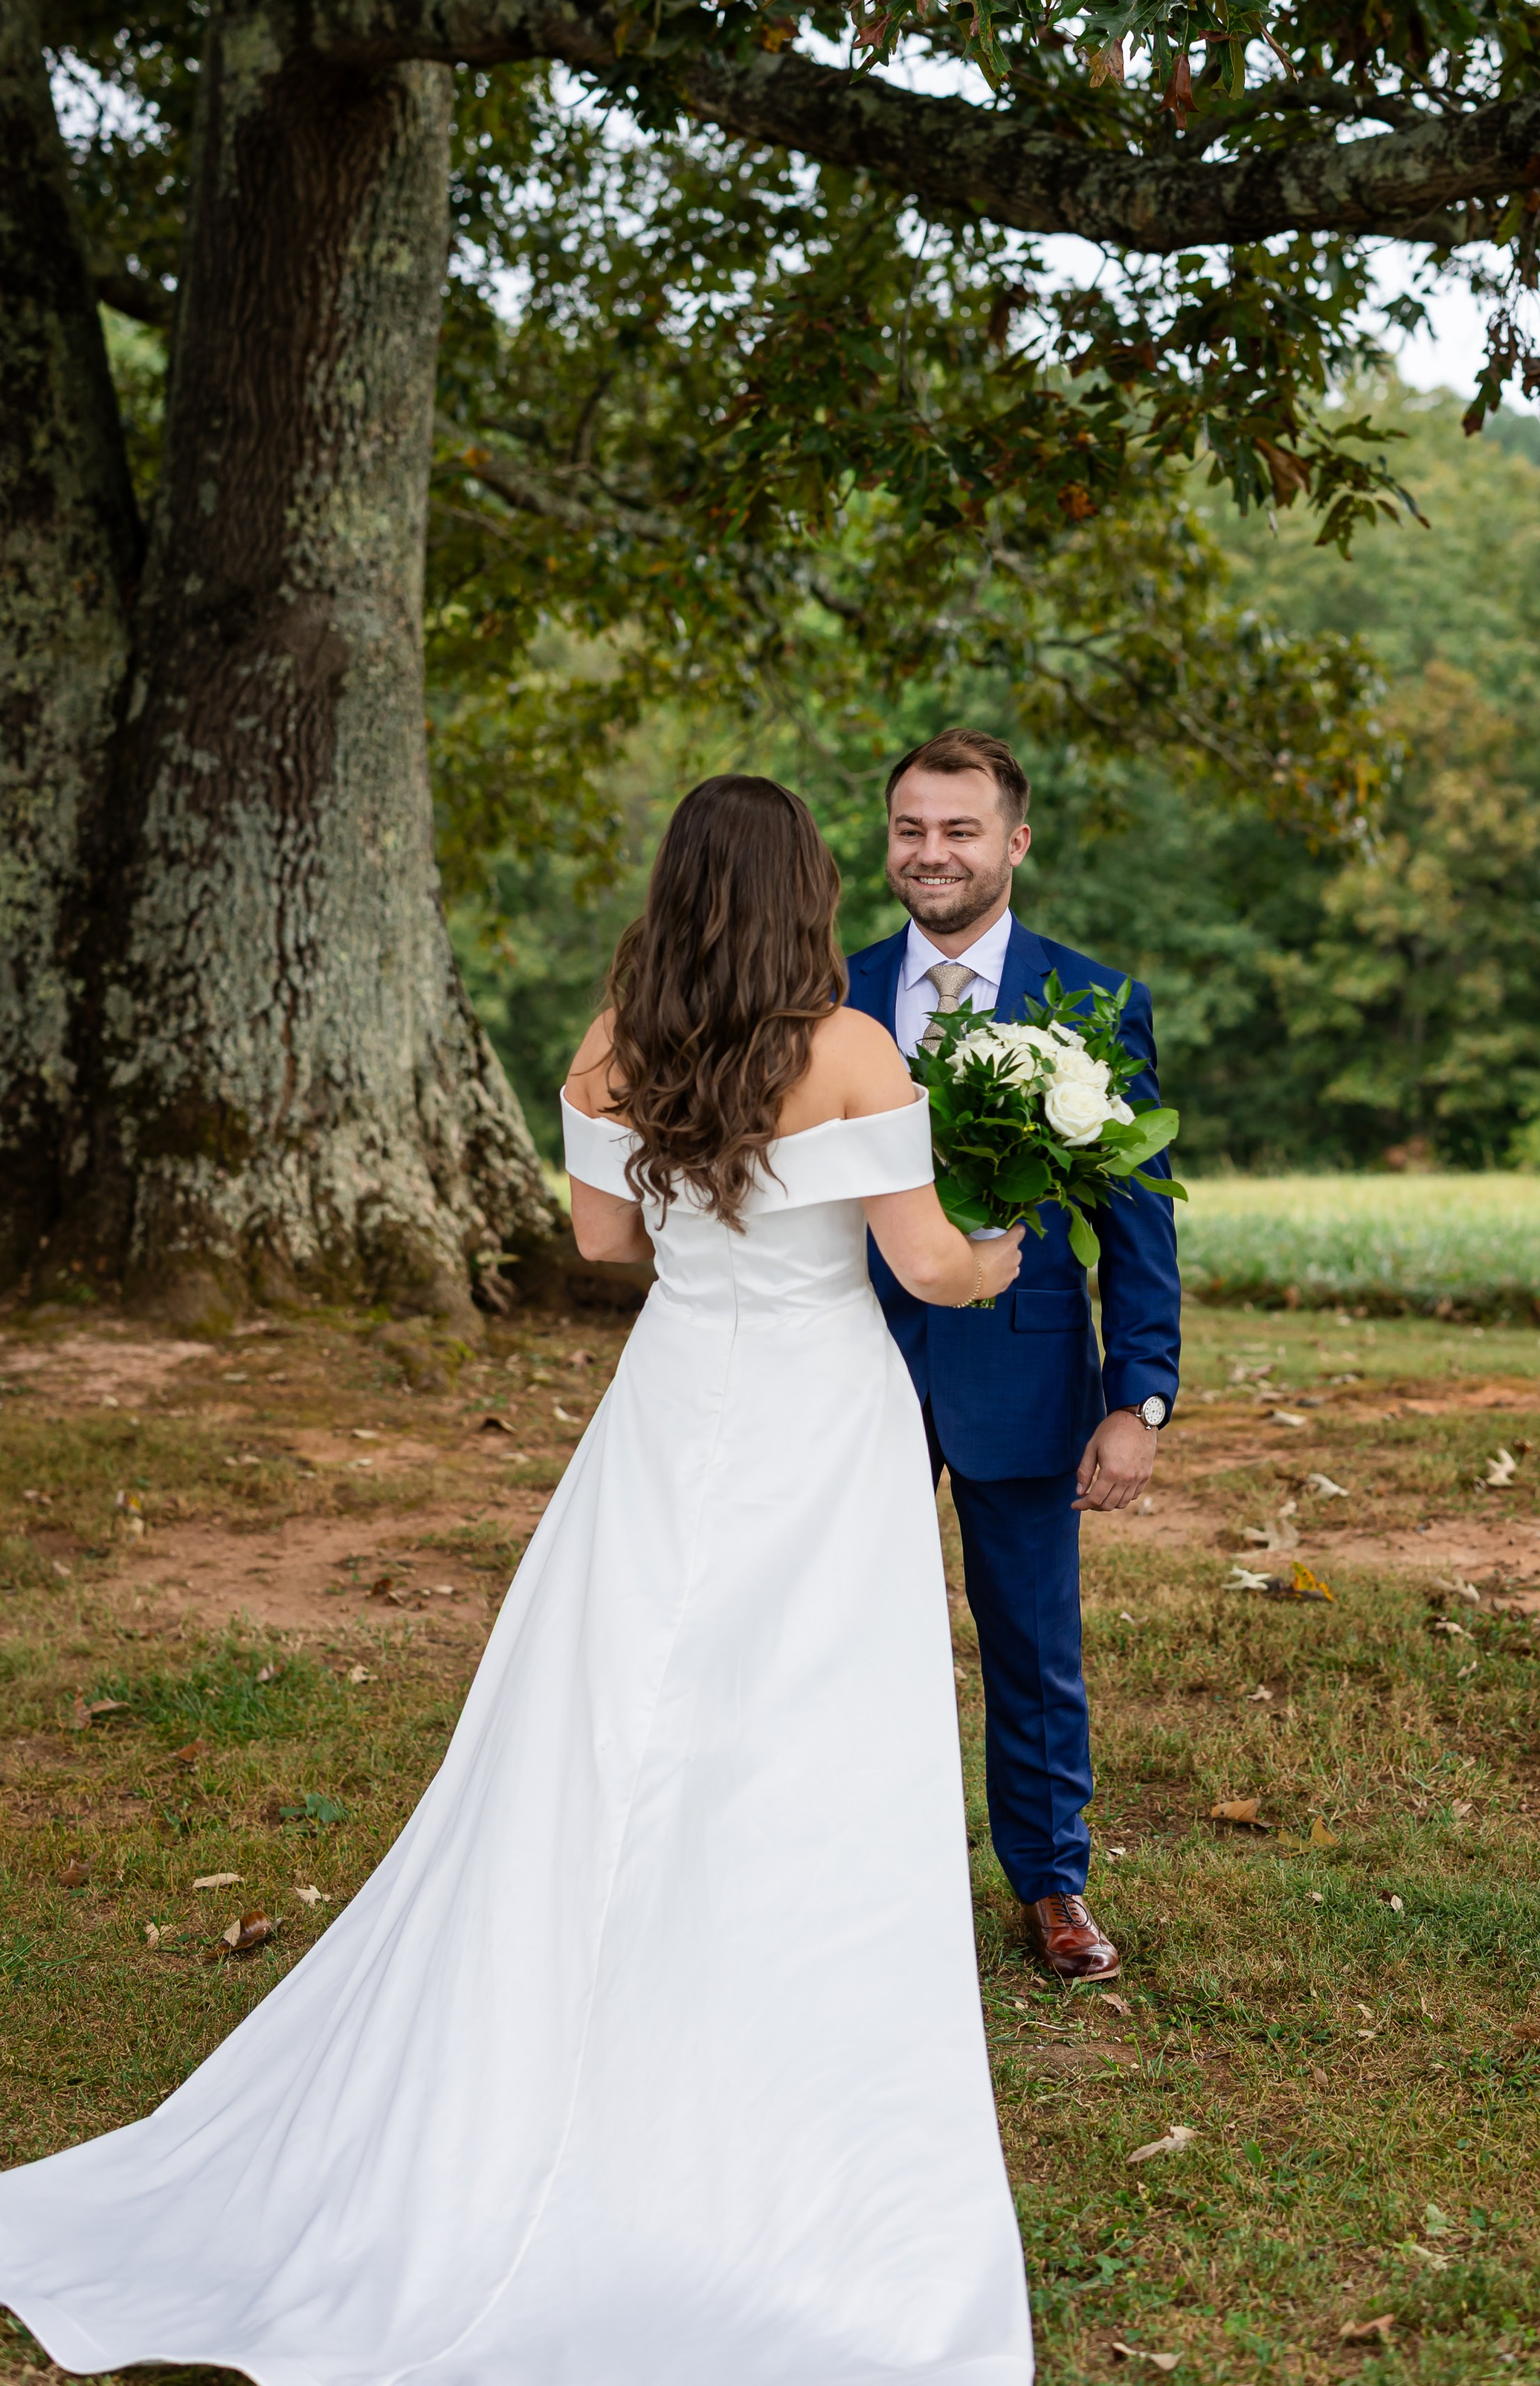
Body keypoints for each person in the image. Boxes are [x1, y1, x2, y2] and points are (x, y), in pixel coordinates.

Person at [0, 776, 1034, 2386]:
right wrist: (997, 1254)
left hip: (673, 1408)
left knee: (619, 1707)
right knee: (811, 1720)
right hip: (820, 1423)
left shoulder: (617, 1044)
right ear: (803, 894)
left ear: (677, 890)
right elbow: (921, 1263)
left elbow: (603, 1248)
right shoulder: (847, 1048)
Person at [848, 727, 1180, 1986]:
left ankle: (1053, 1885)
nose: (930, 853)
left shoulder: (1090, 1000)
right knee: (840, 1629)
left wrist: (1140, 1397)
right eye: (910, 829)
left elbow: (1135, 1221)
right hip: (854, 1365)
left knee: (1034, 1646)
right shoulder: (827, 993)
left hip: (1029, 1369)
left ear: (1015, 843)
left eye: (959, 829)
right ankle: (854, 1874)